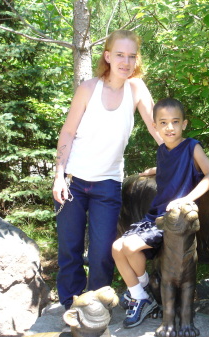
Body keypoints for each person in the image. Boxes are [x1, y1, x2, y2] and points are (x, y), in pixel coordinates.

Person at [52, 29, 162, 311]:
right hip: (73, 182)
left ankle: (96, 304)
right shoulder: (89, 88)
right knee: (70, 249)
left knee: (102, 252)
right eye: (120, 55)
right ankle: (71, 306)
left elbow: (156, 128)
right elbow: (67, 133)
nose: (126, 62)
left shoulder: (136, 88)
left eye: (131, 56)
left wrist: (179, 161)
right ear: (108, 56)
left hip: (107, 186)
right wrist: (59, 177)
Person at [112, 98, 209, 328]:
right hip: (156, 214)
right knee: (117, 248)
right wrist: (152, 170)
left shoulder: (192, 147)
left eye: (175, 122)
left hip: (175, 218)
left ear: (184, 124)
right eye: (163, 123)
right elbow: (169, 169)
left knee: (129, 247)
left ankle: (144, 292)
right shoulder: (163, 150)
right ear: (156, 126)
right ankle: (141, 296)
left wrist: (185, 200)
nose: (169, 127)